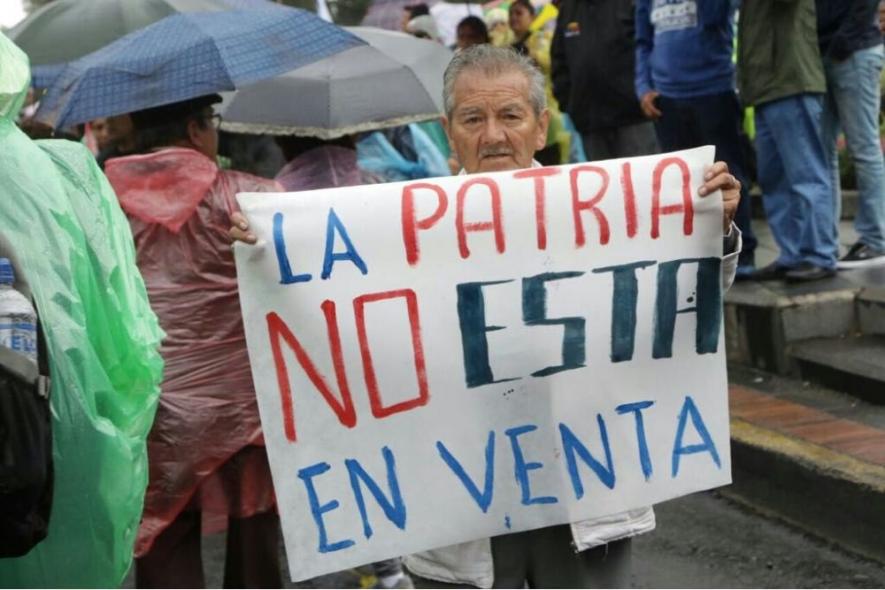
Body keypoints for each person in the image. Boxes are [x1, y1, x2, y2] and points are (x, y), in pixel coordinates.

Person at [231, 45, 742, 589]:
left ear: (541, 127)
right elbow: (342, 325)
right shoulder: (400, 230)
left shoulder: (608, 214)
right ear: (449, 132)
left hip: (582, 490)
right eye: (474, 119)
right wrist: (269, 257)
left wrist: (712, 227)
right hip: (460, 500)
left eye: (510, 116)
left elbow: (681, 297)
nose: (493, 134)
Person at [103, 95, 284, 588]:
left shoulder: (99, 201)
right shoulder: (252, 199)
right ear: (195, 128)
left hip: (150, 407)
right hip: (244, 412)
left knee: (164, 535)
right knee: (254, 533)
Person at [634, 0, 758, 276]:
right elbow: (643, 42)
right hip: (666, 99)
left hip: (714, 90)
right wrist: (643, 87)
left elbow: (716, 16)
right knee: (679, 185)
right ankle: (691, 258)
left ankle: (743, 251)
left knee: (730, 175)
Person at [737, 0, 838, 282]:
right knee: (773, 179)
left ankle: (820, 254)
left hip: (793, 81)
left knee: (807, 175)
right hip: (764, 88)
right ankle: (791, 254)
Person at [817, 0, 885, 268]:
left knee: (864, 149)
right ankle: (827, 242)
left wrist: (842, 43)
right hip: (824, 55)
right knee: (823, 153)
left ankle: (877, 239)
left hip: (854, 51)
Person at [551, 0, 659, 161]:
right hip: (590, 124)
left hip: (634, 118)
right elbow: (559, 60)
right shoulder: (568, 9)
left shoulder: (630, 3)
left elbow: (648, 47)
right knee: (603, 185)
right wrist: (571, 105)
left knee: (643, 182)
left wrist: (644, 94)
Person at [509, 0, 570, 166]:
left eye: (519, 13)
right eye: (511, 14)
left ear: (532, 16)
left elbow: (550, 62)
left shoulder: (542, 37)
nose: (514, 18)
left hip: (549, 109)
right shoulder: (506, 46)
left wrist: (531, 55)